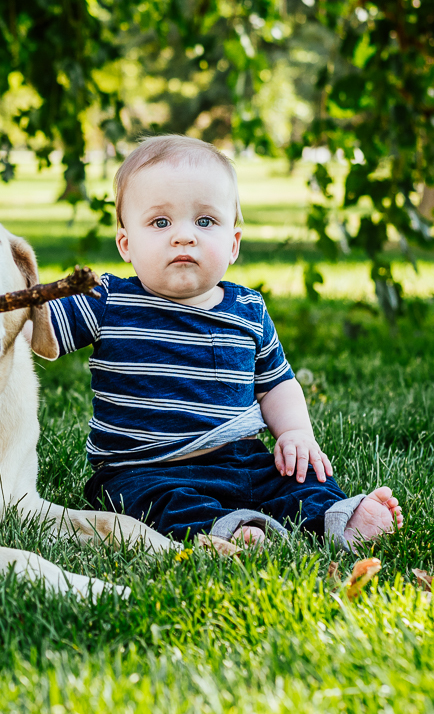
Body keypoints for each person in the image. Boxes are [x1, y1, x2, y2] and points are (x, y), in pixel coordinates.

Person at [41, 134, 403, 549]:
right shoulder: (107, 301)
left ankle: (338, 519)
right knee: (159, 504)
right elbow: (37, 328)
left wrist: (295, 432)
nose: (183, 237)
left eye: (205, 221)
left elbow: (276, 383)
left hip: (240, 458)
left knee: (297, 477)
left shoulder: (247, 309)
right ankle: (228, 529)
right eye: (160, 223)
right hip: (143, 467)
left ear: (233, 243)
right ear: (126, 243)